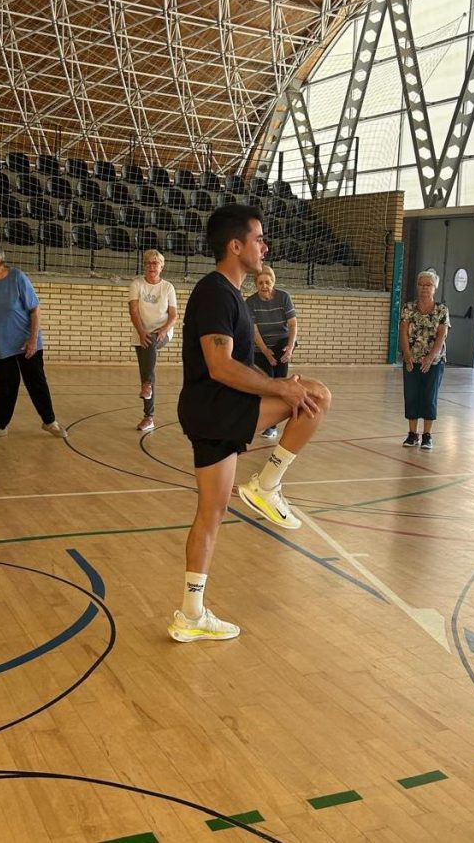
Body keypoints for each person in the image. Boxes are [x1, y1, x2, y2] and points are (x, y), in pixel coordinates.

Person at [169, 204, 331, 644]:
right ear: (235, 245)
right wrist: (281, 389)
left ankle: (191, 613)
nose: (265, 246)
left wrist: (277, 386)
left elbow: (233, 366)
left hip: (211, 410)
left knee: (211, 514)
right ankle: (267, 485)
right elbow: (220, 366)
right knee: (316, 395)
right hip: (215, 406)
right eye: (259, 238)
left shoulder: (231, 296)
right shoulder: (216, 293)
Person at [0, 240, 67, 440]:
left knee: (36, 382)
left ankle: (50, 422)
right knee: (6, 385)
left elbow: (35, 310)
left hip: (25, 342)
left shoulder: (17, 278)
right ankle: (0, 426)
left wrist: (32, 340)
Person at [398, 270, 449, 450]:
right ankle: (412, 434)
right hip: (412, 359)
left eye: (428, 285)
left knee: (429, 396)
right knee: (411, 394)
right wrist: (406, 354)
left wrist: (430, 357)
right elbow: (403, 331)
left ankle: (427, 435)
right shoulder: (408, 308)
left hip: (434, 361)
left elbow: (442, 335)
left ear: (434, 287)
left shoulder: (441, 310)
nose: (424, 288)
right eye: (421, 284)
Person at [246, 264, 298, 439]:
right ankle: (265, 420)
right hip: (260, 347)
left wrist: (290, 347)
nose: (264, 286)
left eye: (267, 282)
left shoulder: (284, 297)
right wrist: (266, 353)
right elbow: (254, 331)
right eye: (260, 283)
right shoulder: (251, 302)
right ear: (256, 284)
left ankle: (273, 425)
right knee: (268, 384)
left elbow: (292, 324)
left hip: (281, 343)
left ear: (273, 282)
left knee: (280, 381)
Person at [129, 249, 178, 433]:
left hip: (162, 332)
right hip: (141, 332)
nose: (152, 266)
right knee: (145, 371)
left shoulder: (168, 287)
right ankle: (148, 417)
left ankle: (147, 386)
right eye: (149, 263)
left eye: (155, 263)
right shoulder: (137, 284)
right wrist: (141, 332)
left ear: (161, 266)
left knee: (147, 377)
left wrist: (164, 330)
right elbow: (133, 311)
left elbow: (173, 315)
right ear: (144, 265)